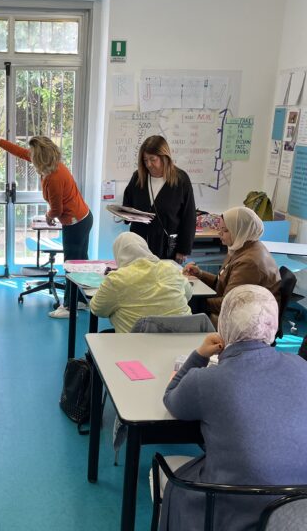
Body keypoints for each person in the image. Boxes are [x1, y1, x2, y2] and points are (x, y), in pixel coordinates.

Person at [159, 285, 307, 531]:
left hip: (228, 505)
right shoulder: (301, 366)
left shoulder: (207, 380)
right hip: (295, 508)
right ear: (273, 325)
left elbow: (171, 398)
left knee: (172, 472)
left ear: (224, 326)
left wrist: (199, 355)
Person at [0, 129, 93, 319]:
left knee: (72, 265)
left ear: (39, 157)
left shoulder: (54, 177)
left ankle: (69, 307)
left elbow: (57, 209)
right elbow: (19, 151)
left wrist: (48, 216)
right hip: (83, 218)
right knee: (79, 262)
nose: (29, 155)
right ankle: (79, 300)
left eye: (32, 154)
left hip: (76, 223)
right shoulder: (51, 164)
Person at [183, 206, 280, 328]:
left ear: (240, 230)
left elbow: (229, 304)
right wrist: (200, 274)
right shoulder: (242, 247)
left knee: (183, 309)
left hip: (248, 322)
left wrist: (193, 302)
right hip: (240, 311)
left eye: (225, 230)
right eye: (220, 229)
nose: (219, 233)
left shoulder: (249, 262)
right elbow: (224, 283)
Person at [90, 232, 192, 333]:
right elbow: (188, 294)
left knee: (103, 336)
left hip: (138, 340)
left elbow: (97, 309)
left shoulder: (117, 279)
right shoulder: (171, 268)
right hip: (183, 337)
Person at [123, 135, 196, 263]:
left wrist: (183, 249)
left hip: (166, 247)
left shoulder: (180, 180)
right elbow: (128, 203)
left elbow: (189, 217)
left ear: (164, 157)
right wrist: (125, 214)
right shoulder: (138, 178)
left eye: (153, 159)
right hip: (139, 244)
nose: (149, 164)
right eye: (145, 160)